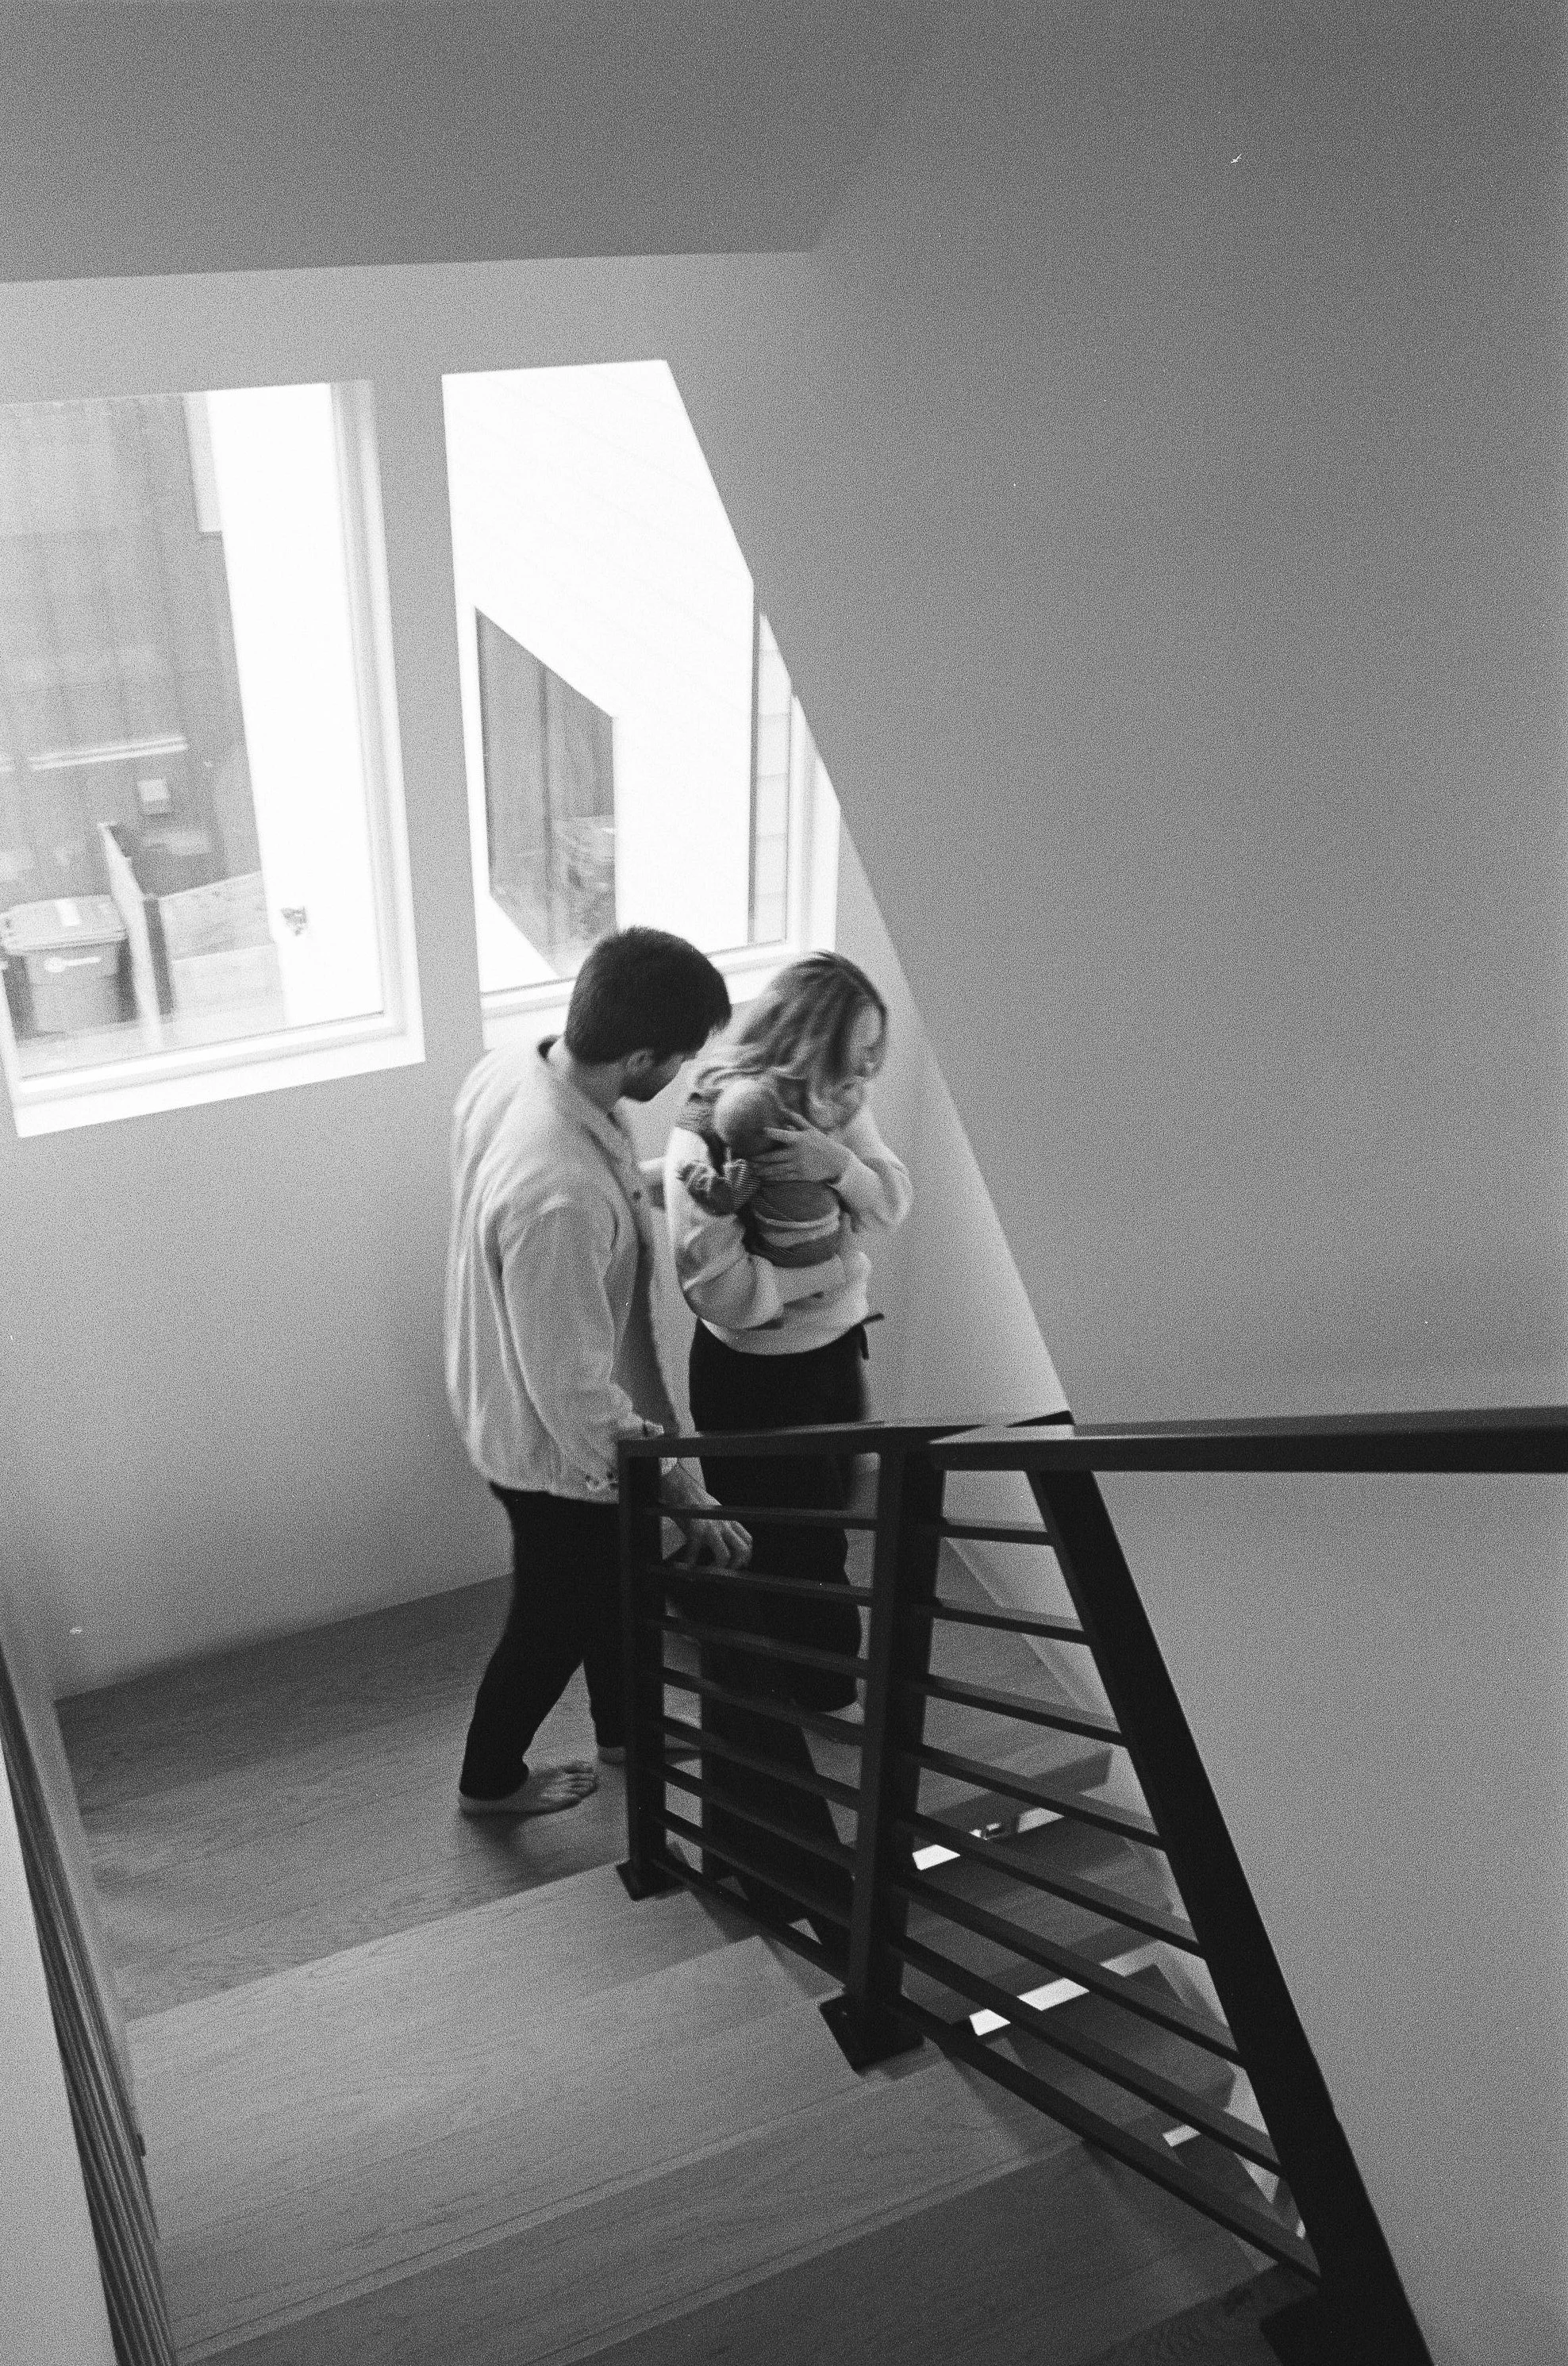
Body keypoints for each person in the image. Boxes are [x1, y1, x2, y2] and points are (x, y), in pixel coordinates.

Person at [447, 926, 751, 1818]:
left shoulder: (513, 1068)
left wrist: (668, 1181)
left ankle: (625, 1729)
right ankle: (489, 1780)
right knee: (551, 1619)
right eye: (682, 1056)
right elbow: (572, 1391)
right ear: (641, 1054)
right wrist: (685, 1492)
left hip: (514, 1395)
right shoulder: (561, 1198)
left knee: (608, 1584)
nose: (685, 1070)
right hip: (553, 1450)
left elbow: (581, 1187)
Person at [663, 952, 913, 1956]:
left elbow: (890, 1202)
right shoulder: (709, 1126)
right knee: (764, 1531)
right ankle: (771, 1695)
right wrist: (817, 1284)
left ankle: (816, 1677)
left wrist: (838, 1168)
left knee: (828, 1519)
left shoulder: (828, 1115)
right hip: (755, 1372)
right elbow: (715, 1292)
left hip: (829, 1360)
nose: (863, 1088)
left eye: (871, 1068)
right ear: (803, 1046)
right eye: (852, 1064)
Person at [673, 1071, 844, 1270]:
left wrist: (693, 1174)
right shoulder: (806, 1139)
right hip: (833, 1234)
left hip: (789, 1253)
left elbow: (727, 1199)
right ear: (782, 1114)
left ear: (734, 1148)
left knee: (751, 1244)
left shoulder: (751, 1167)